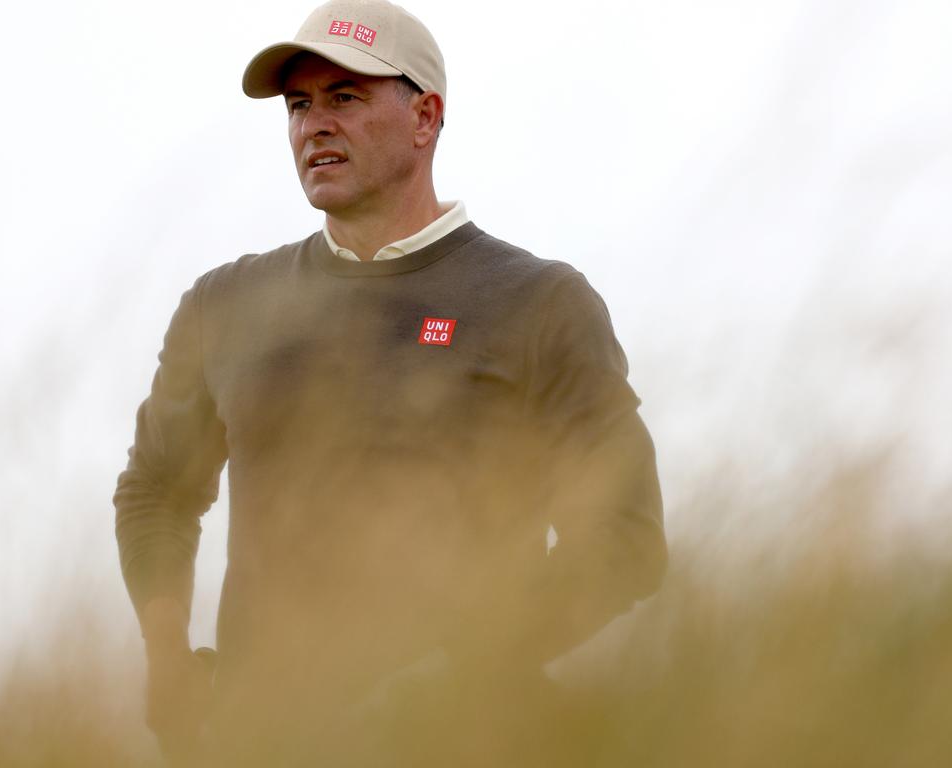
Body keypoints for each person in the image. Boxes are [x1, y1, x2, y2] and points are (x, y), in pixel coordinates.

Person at [114, 1, 667, 765]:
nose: (314, 125)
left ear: (425, 117)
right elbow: (157, 491)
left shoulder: (538, 301)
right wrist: (167, 651)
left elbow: (625, 539)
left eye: (344, 97)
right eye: (299, 104)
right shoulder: (226, 304)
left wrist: (448, 680)